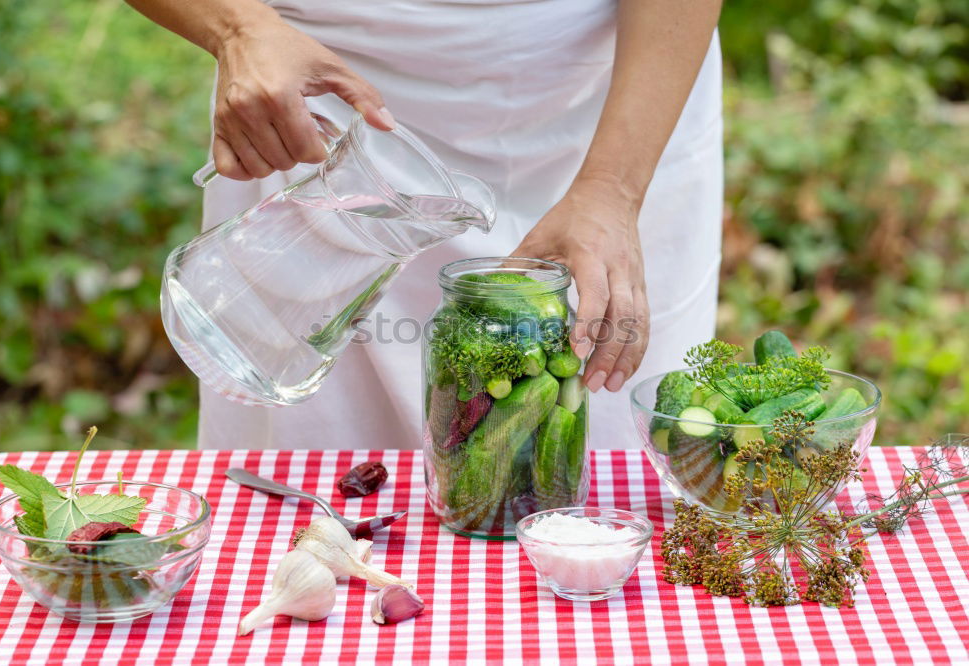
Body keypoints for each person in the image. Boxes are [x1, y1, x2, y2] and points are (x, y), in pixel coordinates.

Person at [128, 0, 724, 450]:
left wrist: (613, 188)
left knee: (601, 461)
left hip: (614, 101)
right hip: (310, 99)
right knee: (312, 488)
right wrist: (236, 28)